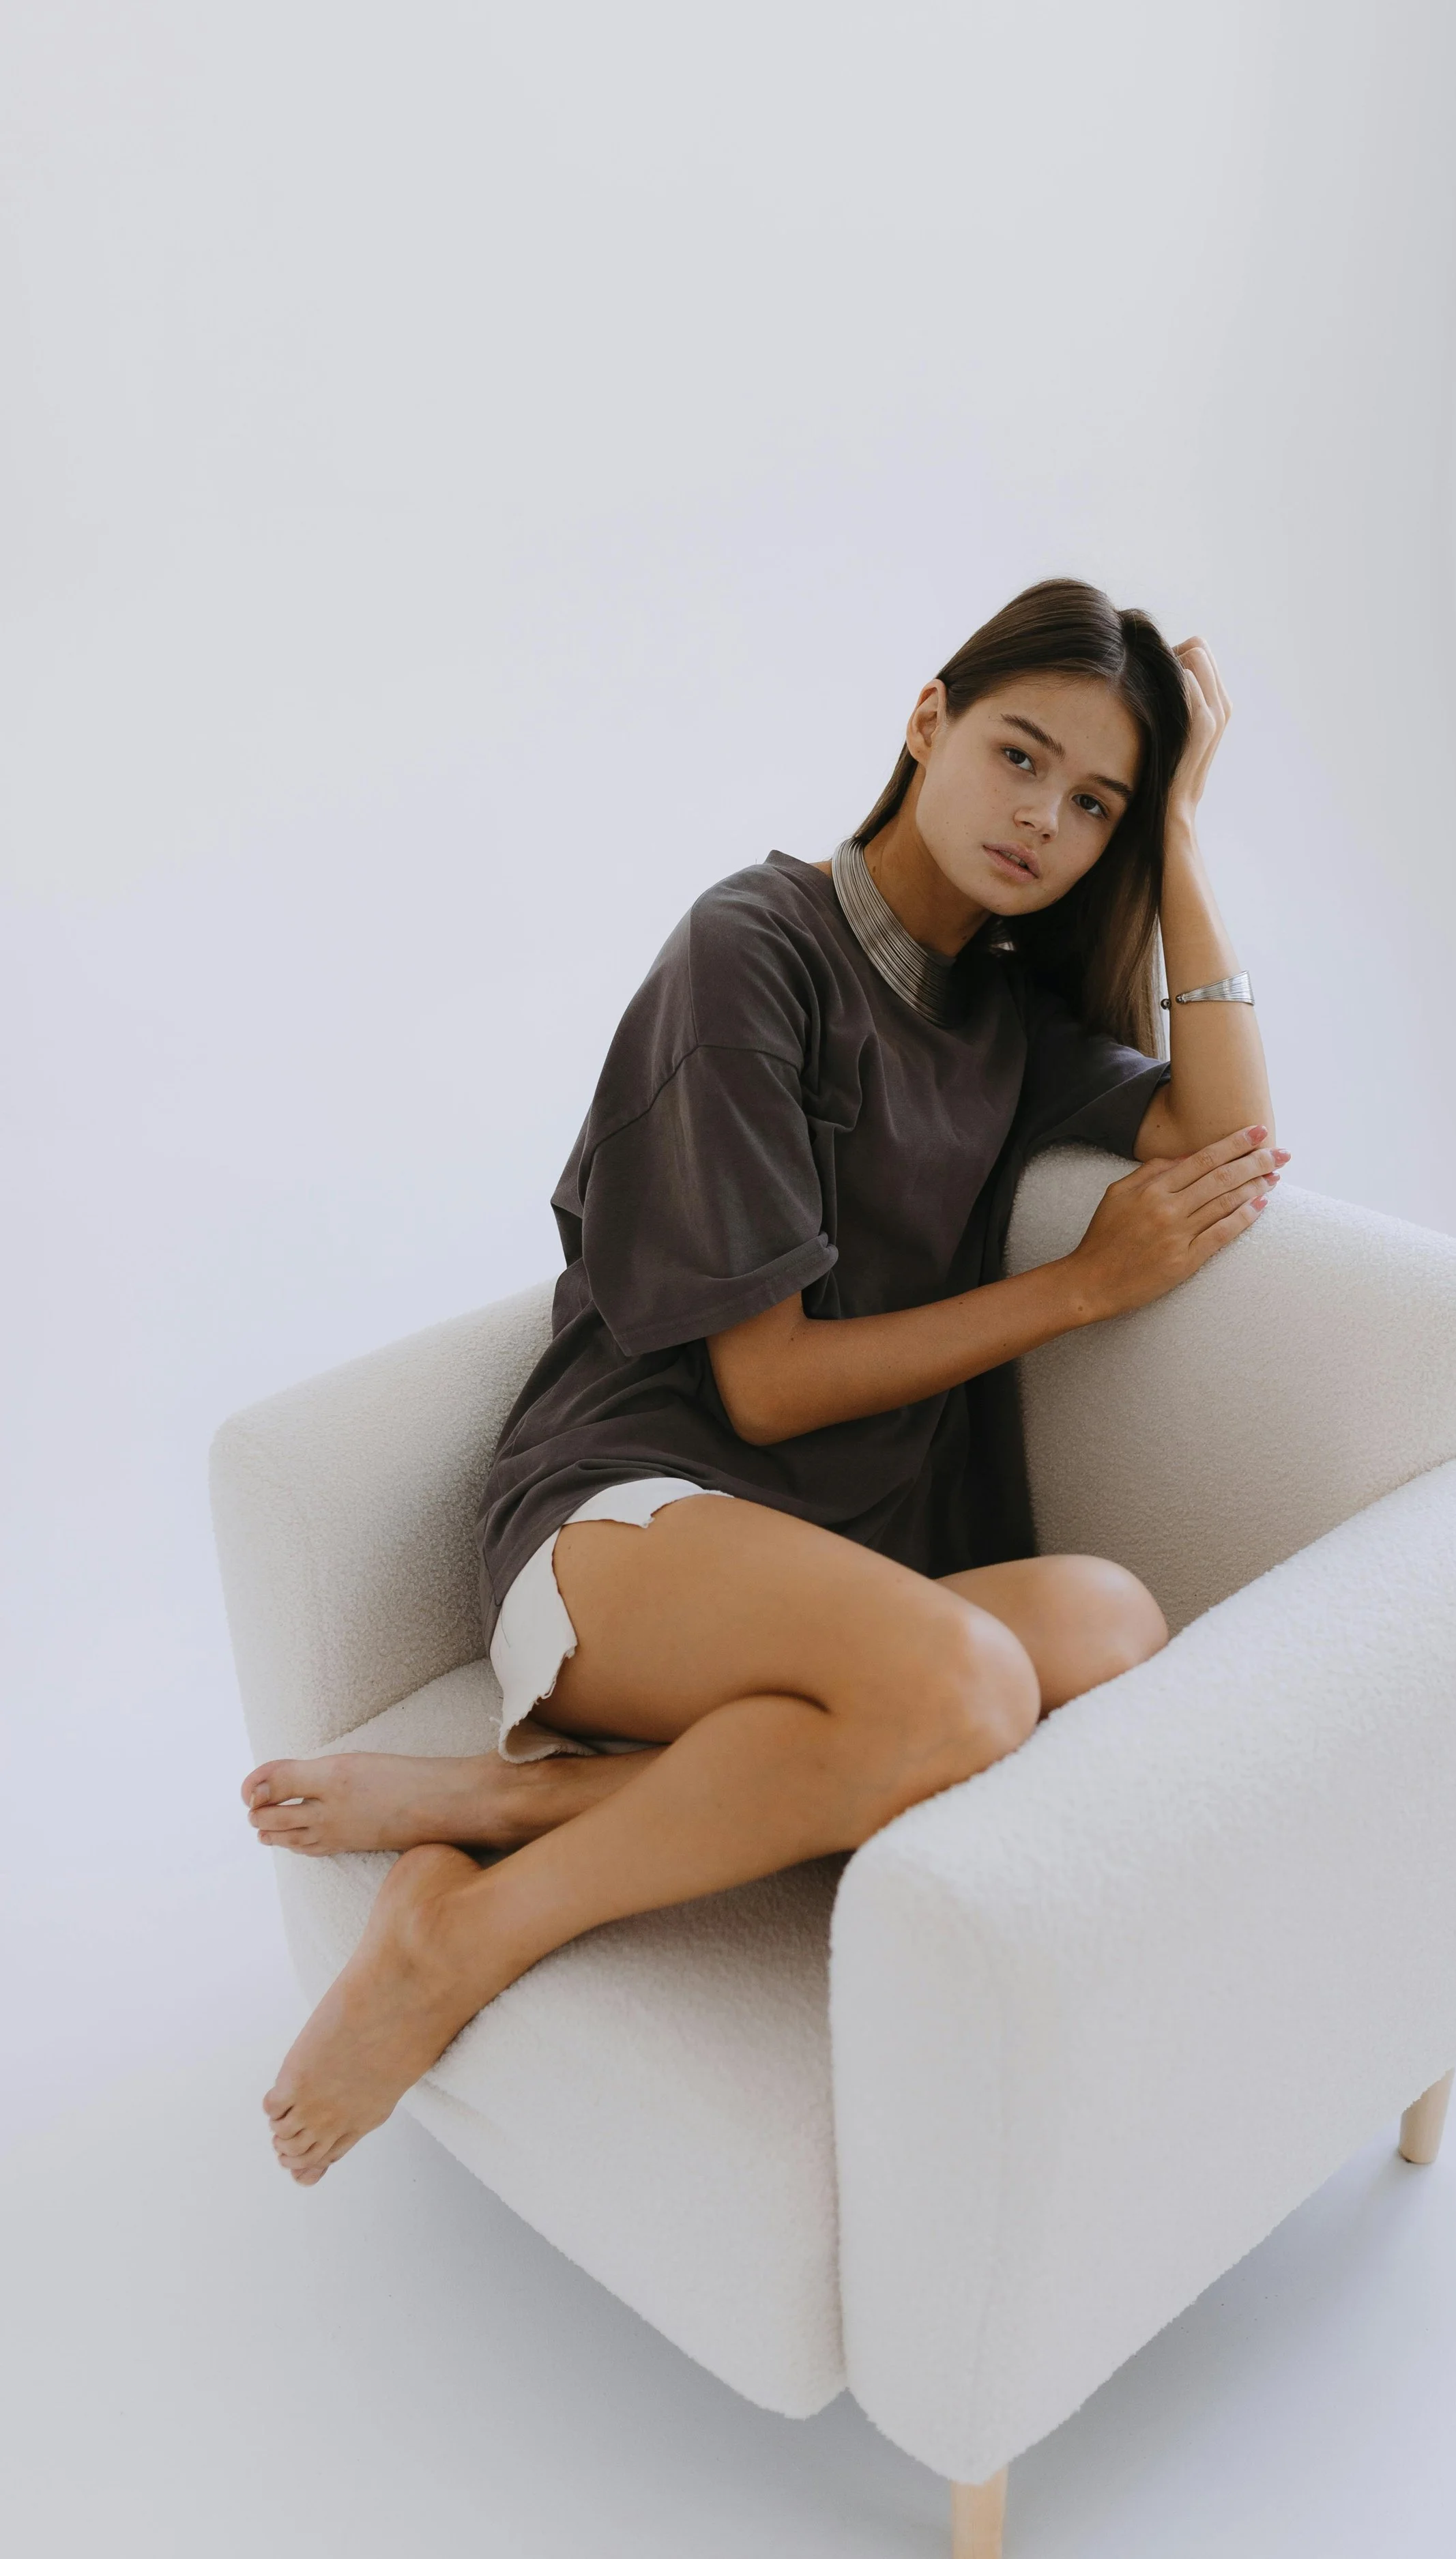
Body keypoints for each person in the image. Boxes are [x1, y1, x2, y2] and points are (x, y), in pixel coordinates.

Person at [243, 577, 1285, 2184]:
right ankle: (459, 1936)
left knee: (1113, 1624)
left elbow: (1220, 1139)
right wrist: (1078, 1289)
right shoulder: (751, 950)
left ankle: (530, 1804)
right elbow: (770, 1392)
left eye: (1094, 805)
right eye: (1017, 756)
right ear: (926, 720)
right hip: (623, 1524)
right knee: (964, 1689)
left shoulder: (1000, 1012)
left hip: (823, 1575)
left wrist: (1188, 842)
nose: (1042, 822)